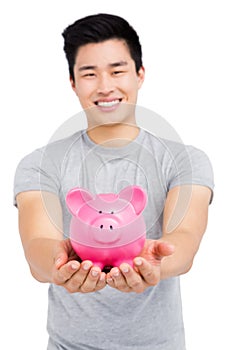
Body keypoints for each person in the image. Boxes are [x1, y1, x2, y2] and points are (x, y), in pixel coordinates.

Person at [14, 13, 214, 350]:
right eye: (89, 74)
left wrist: (155, 259)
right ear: (73, 83)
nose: (105, 86)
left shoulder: (184, 160)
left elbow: (184, 241)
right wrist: (59, 261)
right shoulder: (40, 164)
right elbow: (37, 248)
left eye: (117, 71)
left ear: (140, 75)